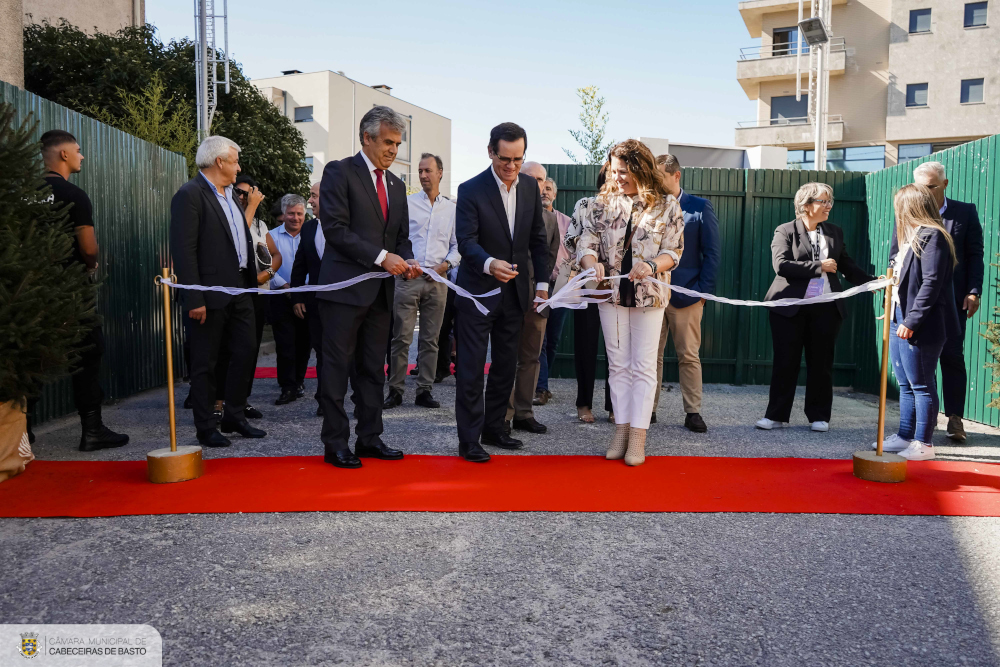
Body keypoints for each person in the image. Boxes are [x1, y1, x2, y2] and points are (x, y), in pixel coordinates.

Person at [316, 106, 420, 469]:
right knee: (336, 368)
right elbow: (335, 229)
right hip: (343, 291)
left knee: (373, 370)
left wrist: (406, 260)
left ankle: (370, 438)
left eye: (398, 144)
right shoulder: (339, 172)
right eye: (388, 142)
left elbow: (401, 238)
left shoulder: (395, 184)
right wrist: (382, 257)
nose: (394, 150)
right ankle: (335, 443)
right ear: (367, 137)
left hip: (381, 294)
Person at [577, 140, 685, 466]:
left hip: (649, 296)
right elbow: (586, 241)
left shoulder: (667, 206)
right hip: (610, 294)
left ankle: (638, 436)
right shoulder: (600, 205)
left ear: (640, 169)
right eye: (614, 170)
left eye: (624, 171)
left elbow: (673, 251)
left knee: (643, 367)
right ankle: (620, 431)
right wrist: (590, 261)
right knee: (618, 365)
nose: (617, 176)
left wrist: (652, 265)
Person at [453, 122, 550, 463]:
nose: (511, 166)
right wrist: (489, 263)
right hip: (477, 294)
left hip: (516, 295)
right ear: (491, 151)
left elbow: (538, 240)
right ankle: (469, 440)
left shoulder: (528, 187)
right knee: (471, 366)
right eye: (505, 158)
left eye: (518, 159)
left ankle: (495, 427)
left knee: (506, 366)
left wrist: (541, 286)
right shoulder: (470, 189)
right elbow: (466, 242)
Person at [170, 135, 266, 447]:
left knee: (244, 352)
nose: (239, 167)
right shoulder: (190, 194)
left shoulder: (230, 197)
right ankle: (206, 427)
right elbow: (184, 251)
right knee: (206, 362)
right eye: (235, 161)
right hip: (209, 294)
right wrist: (194, 297)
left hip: (241, 290)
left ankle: (234, 417)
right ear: (219, 162)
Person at [756, 182, 875, 432]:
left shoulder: (834, 232)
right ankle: (776, 415)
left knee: (821, 363)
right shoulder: (785, 231)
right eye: (823, 201)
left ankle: (819, 416)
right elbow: (781, 265)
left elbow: (846, 265)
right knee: (785, 362)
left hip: (826, 307)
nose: (828, 206)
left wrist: (873, 282)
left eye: (830, 202)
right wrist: (819, 266)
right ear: (806, 205)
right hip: (789, 307)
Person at [37, 130, 129, 451]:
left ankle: (20, 434)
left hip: (29, 293)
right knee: (88, 353)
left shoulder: (22, 194)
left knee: (31, 358)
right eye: (78, 150)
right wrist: (91, 262)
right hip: (71, 291)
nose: (82, 155)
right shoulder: (74, 194)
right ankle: (92, 431)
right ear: (63, 154)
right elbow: (88, 249)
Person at [874, 184, 959, 461]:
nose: (896, 211)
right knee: (906, 383)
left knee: (921, 383)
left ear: (911, 206)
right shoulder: (908, 236)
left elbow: (931, 283)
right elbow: (902, 280)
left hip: (922, 322)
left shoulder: (933, 236)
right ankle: (905, 435)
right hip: (900, 315)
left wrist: (912, 320)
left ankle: (924, 442)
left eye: (900, 205)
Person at [911, 162, 984, 443]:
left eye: (930, 186)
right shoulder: (910, 213)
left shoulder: (964, 212)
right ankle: (920, 421)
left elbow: (975, 254)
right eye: (920, 187)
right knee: (917, 362)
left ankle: (955, 418)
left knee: (952, 356)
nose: (925, 193)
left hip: (953, 301)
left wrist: (973, 291)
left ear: (945, 184)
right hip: (918, 301)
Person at [651, 154, 721, 432]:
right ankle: (649, 410)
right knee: (650, 356)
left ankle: (692, 412)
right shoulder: (651, 207)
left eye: (660, 178)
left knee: (689, 356)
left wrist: (702, 293)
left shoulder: (700, 208)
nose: (655, 184)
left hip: (687, 295)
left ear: (676, 175)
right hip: (653, 294)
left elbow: (712, 254)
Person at [384, 153, 459, 410]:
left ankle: (424, 391)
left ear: (440, 173)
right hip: (408, 277)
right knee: (401, 337)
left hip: (438, 280)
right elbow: (397, 238)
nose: (424, 175)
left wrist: (445, 265)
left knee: (431, 339)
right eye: (420, 171)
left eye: (428, 170)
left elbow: (457, 245)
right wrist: (406, 263)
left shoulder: (452, 209)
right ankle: (395, 390)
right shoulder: (406, 204)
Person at [211, 174, 279, 420]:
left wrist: (267, 273)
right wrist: (249, 206)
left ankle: (240, 401)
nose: (243, 197)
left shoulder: (260, 225)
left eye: (248, 193)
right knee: (225, 349)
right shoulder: (226, 217)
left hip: (256, 295)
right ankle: (218, 403)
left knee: (249, 349)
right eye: (239, 192)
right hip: (230, 293)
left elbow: (275, 254)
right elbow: (234, 241)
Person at [502, 161, 560, 435]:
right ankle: (502, 414)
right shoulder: (506, 212)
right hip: (508, 298)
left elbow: (548, 262)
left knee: (531, 358)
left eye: (541, 180)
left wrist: (542, 292)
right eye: (532, 178)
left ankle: (524, 413)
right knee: (506, 357)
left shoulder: (551, 220)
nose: (538, 185)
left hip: (538, 300)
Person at [563, 164, 608, 424]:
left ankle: (615, 406)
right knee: (585, 345)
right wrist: (590, 261)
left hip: (617, 286)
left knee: (618, 350)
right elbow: (571, 240)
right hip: (588, 285)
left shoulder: (629, 209)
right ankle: (584, 404)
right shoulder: (585, 204)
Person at [268, 194, 313, 405]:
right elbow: (266, 266)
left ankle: (299, 381)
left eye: (299, 214)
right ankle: (287, 387)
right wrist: (285, 286)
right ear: (283, 215)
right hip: (280, 296)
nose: (295, 218)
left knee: (304, 342)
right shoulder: (271, 236)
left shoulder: (313, 235)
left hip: (307, 295)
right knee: (285, 344)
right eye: (291, 214)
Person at [534, 176, 573, 406]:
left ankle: (543, 382)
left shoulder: (567, 222)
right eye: (542, 188)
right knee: (540, 337)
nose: (545, 192)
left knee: (553, 340)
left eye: (549, 189)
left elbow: (575, 253)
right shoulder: (531, 219)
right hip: (538, 284)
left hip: (560, 285)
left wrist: (568, 281)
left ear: (555, 195)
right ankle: (541, 388)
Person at [291, 182, 327, 416]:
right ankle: (324, 399)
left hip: (346, 303)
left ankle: (358, 398)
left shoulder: (348, 228)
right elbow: (299, 265)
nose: (310, 201)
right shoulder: (309, 228)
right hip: (315, 303)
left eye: (314, 196)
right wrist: (297, 297)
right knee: (322, 352)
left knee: (352, 354)